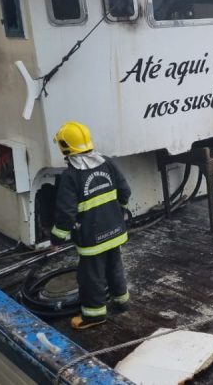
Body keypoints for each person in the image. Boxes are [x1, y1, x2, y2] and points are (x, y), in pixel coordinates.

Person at [50, 121, 132, 330]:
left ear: (65, 147)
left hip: (92, 238)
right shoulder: (106, 162)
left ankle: (94, 315)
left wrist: (57, 238)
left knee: (91, 276)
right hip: (115, 230)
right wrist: (119, 211)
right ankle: (122, 301)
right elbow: (125, 191)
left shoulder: (70, 176)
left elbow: (66, 213)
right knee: (115, 266)